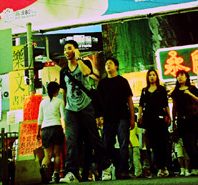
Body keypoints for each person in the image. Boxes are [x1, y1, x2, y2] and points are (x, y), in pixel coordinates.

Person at [58, 40, 113, 183]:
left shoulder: (84, 64)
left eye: (69, 48)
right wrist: (65, 109)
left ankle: (107, 166)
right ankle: (72, 173)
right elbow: (64, 91)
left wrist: (79, 57)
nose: (66, 51)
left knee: (94, 137)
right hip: (71, 109)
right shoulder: (63, 71)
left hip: (86, 106)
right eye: (65, 49)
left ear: (76, 50)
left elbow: (87, 72)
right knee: (71, 140)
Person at [97, 57, 135, 179]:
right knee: (107, 144)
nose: (108, 65)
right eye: (106, 64)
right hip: (108, 118)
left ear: (116, 66)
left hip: (122, 117)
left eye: (110, 63)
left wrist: (132, 117)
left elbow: (129, 100)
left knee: (124, 144)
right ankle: (117, 165)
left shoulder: (122, 81)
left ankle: (123, 171)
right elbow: (98, 102)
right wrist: (98, 117)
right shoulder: (102, 83)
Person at [138, 68, 171, 177]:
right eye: (150, 75)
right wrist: (139, 116)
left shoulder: (161, 89)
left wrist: (169, 116)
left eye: (153, 75)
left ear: (156, 77)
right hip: (148, 119)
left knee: (163, 143)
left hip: (160, 118)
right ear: (147, 77)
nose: (152, 76)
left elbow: (165, 104)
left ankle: (164, 167)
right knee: (153, 144)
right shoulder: (144, 90)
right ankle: (159, 167)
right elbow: (141, 105)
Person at [169, 70, 198, 176]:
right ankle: (195, 167)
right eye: (178, 76)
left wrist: (189, 94)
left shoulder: (192, 88)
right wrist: (173, 121)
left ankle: (196, 167)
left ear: (187, 77)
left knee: (193, 142)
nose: (180, 78)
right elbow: (174, 107)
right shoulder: (176, 92)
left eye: (182, 75)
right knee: (186, 145)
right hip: (181, 120)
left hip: (193, 120)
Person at [37, 81, 65, 184]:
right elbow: (64, 116)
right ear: (57, 91)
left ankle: (44, 167)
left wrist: (38, 132)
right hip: (56, 128)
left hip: (45, 129)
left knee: (47, 156)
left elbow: (40, 118)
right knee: (57, 154)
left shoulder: (42, 102)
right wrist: (65, 130)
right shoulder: (60, 101)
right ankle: (56, 175)